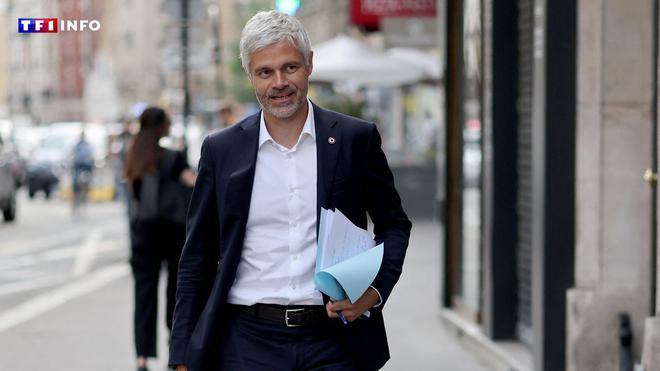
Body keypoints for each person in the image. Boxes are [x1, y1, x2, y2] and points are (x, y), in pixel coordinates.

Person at [169, 10, 411, 371]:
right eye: (265, 72)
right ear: (250, 75)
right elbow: (196, 258)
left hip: (335, 340)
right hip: (246, 342)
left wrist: (373, 293)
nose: (279, 82)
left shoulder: (353, 139)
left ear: (309, 64)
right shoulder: (221, 151)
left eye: (290, 67)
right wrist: (180, 357)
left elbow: (394, 225)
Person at [124, 107, 196, 371]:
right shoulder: (173, 158)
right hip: (172, 233)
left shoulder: (133, 156)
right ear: (161, 127)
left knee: (144, 296)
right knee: (175, 293)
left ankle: (141, 357)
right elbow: (194, 182)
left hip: (142, 235)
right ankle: (173, 351)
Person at [71, 131, 94, 211]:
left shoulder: (87, 146)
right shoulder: (77, 145)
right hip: (78, 167)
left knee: (86, 183)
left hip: (85, 167)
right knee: (75, 183)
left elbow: (91, 157)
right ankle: (76, 199)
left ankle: (84, 196)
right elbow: (72, 155)